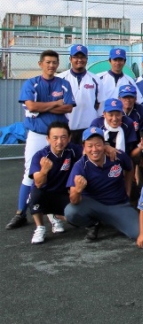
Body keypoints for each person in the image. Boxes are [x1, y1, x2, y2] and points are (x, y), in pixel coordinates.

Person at [6, 50, 75, 230]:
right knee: (31, 172)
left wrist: (42, 107)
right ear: (40, 64)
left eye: (54, 62)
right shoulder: (31, 83)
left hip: (59, 136)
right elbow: (31, 105)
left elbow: (68, 108)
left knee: (59, 174)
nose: (51, 65)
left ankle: (53, 215)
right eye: (48, 62)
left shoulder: (64, 83)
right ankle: (20, 213)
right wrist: (55, 104)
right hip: (37, 134)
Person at [65, 127, 138, 241]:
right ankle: (93, 223)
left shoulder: (117, 156)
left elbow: (129, 167)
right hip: (93, 205)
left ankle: (115, 220)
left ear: (105, 145)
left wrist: (128, 190)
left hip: (118, 204)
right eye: (90, 146)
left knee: (138, 233)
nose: (94, 149)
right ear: (84, 147)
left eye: (98, 145)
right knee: (71, 212)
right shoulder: (80, 166)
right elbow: (73, 200)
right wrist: (78, 190)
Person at [28, 122, 83, 244]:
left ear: (69, 138)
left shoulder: (72, 150)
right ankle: (40, 227)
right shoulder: (40, 156)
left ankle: (55, 215)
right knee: (35, 194)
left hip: (62, 193)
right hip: (44, 193)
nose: (59, 141)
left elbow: (90, 150)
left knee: (78, 219)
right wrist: (44, 170)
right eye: (55, 138)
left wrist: (107, 147)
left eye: (63, 137)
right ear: (48, 139)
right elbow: (38, 183)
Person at [58, 44, 101, 144]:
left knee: (86, 158)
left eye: (82, 57)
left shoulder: (95, 79)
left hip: (89, 128)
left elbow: (100, 103)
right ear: (70, 59)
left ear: (87, 59)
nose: (79, 60)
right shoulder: (60, 79)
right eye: (76, 57)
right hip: (67, 128)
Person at [98, 48, 143, 114]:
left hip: (121, 119)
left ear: (124, 62)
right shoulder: (99, 78)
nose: (117, 63)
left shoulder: (130, 80)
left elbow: (139, 101)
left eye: (120, 60)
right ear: (109, 61)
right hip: (102, 117)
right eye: (115, 60)